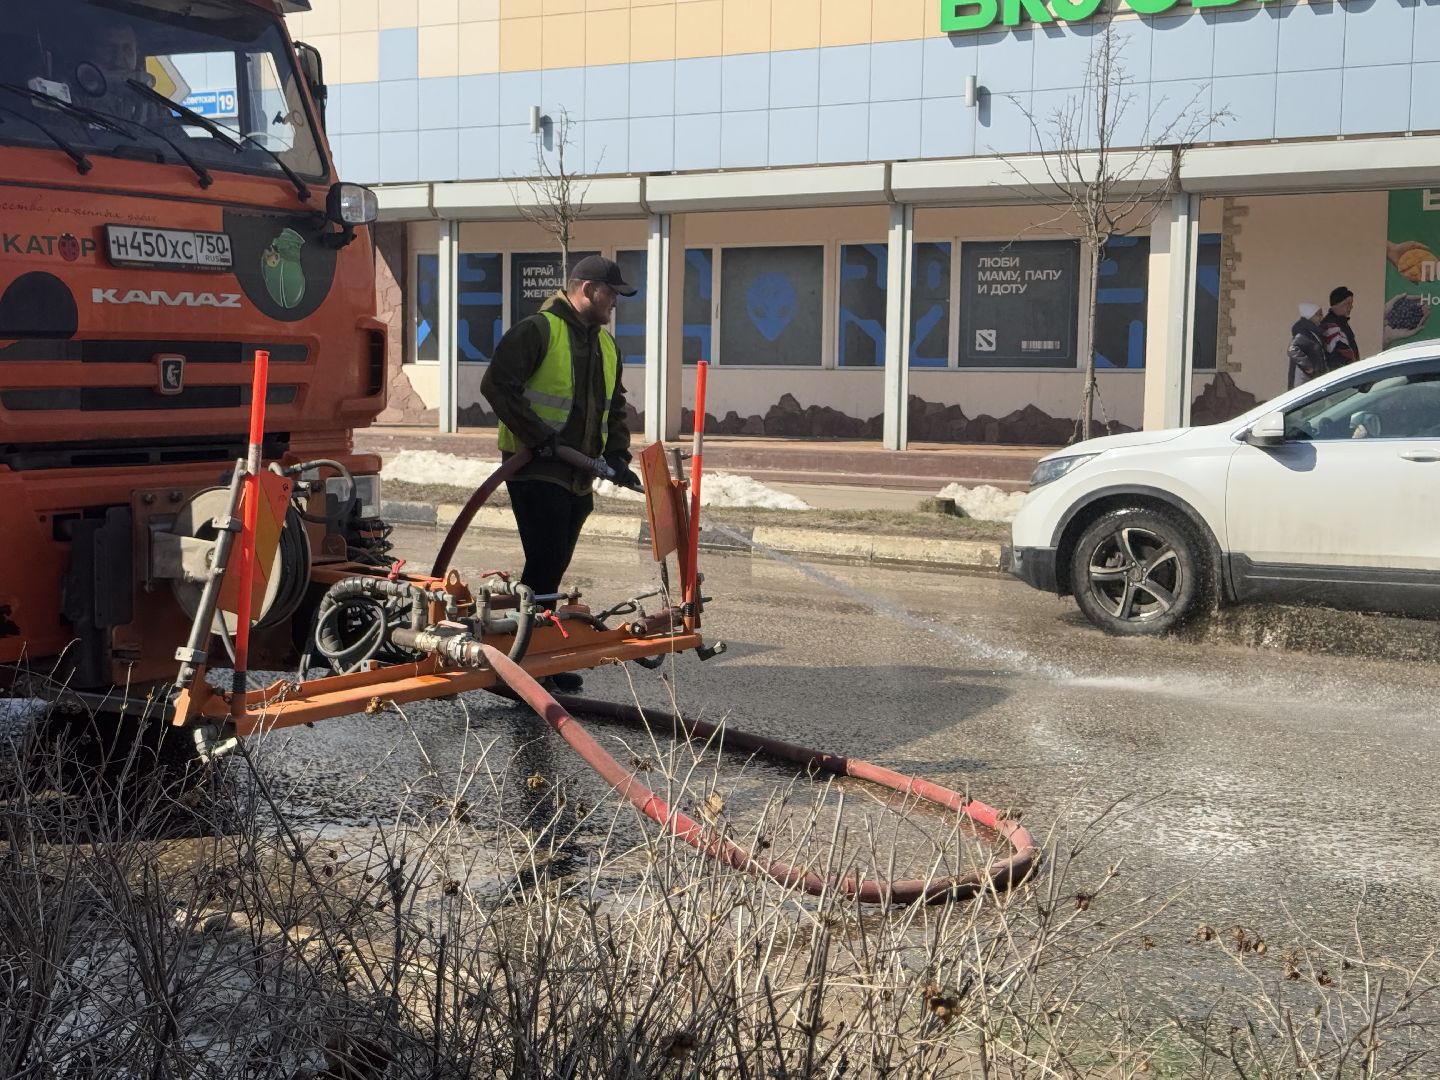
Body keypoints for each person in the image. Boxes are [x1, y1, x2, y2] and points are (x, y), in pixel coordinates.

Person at [481, 255, 640, 691]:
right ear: (588, 289)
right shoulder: (537, 331)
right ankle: (523, 666)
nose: (615, 304)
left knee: (551, 570)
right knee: (545, 564)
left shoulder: (606, 346)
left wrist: (619, 457)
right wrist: (540, 439)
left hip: (578, 476)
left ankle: (532, 661)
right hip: (535, 470)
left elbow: (614, 409)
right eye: (611, 294)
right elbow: (496, 386)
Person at [1287, 301, 1327, 388]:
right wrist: (1309, 368)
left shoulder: (1313, 332)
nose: (1321, 317)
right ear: (1311, 315)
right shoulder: (1303, 332)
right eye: (1319, 314)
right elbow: (1293, 350)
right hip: (1302, 379)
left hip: (1311, 378)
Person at [1319, 286, 1360, 369]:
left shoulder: (1342, 323)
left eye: (1351, 304)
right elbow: (1338, 355)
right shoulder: (1330, 326)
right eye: (1347, 303)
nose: (1351, 307)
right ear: (1336, 304)